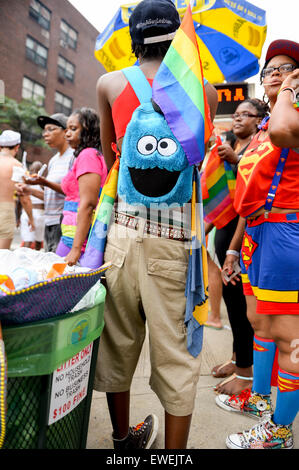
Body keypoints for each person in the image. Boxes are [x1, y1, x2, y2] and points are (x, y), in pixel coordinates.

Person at [94, 0, 218, 450]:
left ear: (134, 38)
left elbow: (113, 156)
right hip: (173, 236)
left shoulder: (109, 83)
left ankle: (124, 439)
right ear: (177, 36)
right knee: (177, 352)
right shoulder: (202, 90)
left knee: (118, 339)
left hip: (123, 234)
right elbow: (197, 156)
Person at [215, 39, 299, 450]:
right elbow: (251, 192)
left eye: (286, 69)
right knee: (262, 325)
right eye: (270, 70)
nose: (275, 75)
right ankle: (262, 402)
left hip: (285, 233)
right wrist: (235, 247)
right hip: (260, 234)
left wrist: (289, 91)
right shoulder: (265, 127)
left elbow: (286, 133)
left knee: (289, 340)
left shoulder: (290, 115)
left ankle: (279, 433)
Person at [209, 99, 269, 396]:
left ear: (260, 120)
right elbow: (219, 197)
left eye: (247, 114)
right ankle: (237, 359)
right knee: (232, 304)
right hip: (224, 233)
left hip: (242, 239)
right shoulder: (229, 147)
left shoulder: (258, 147)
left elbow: (250, 201)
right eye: (236, 113)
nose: (238, 118)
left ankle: (246, 372)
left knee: (243, 307)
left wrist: (236, 159)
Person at [23, 108, 107, 267]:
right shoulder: (84, 155)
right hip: (70, 234)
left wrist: (75, 249)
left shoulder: (88, 155)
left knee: (54, 280)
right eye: (67, 129)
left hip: (76, 239)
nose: (67, 133)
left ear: (88, 130)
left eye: (73, 129)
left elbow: (88, 204)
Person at [17, 114, 74, 252]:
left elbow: (74, 193)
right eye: (44, 130)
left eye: (50, 129)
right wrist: (29, 190)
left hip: (64, 223)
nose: (45, 134)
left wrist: (44, 182)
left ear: (65, 131)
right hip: (49, 223)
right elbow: (49, 196)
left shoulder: (74, 156)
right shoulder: (53, 160)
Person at [0, 130, 34, 249]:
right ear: (17, 147)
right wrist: (31, 218)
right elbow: (24, 198)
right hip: (6, 212)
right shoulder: (17, 166)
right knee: (2, 257)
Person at [19, 161, 45, 251]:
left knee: (28, 241)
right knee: (37, 242)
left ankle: (24, 261)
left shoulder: (25, 181)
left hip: (27, 213)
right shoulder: (43, 182)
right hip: (39, 214)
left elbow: (21, 201)